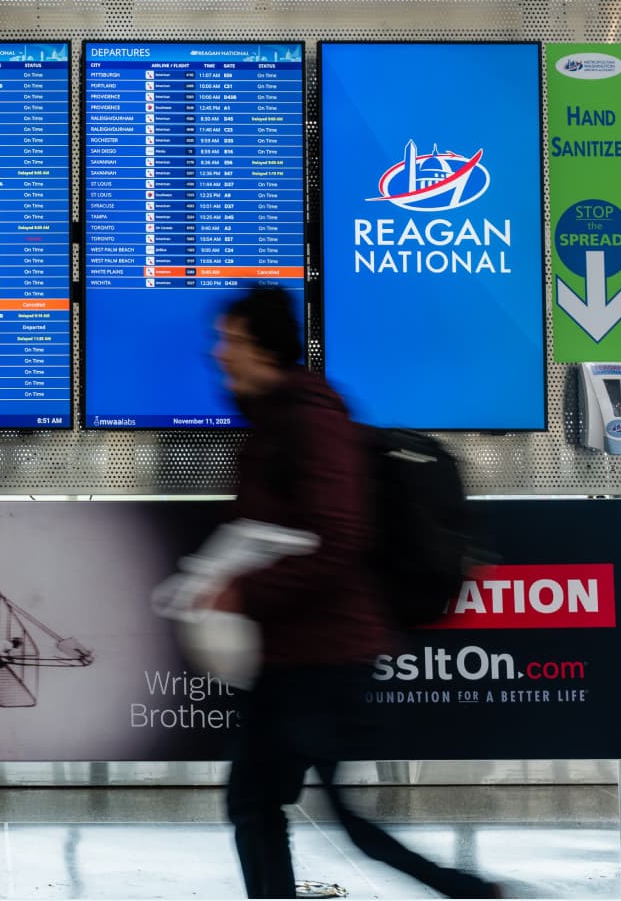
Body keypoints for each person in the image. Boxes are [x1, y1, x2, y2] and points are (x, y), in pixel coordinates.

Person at [204, 286, 503, 900]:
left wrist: (244, 593)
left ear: (263, 348)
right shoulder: (279, 422)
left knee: (265, 803)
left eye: (229, 340)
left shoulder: (310, 418)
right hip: (302, 653)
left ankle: (469, 891)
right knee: (289, 807)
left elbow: (339, 538)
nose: (219, 354)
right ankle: (466, 891)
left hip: (323, 655)